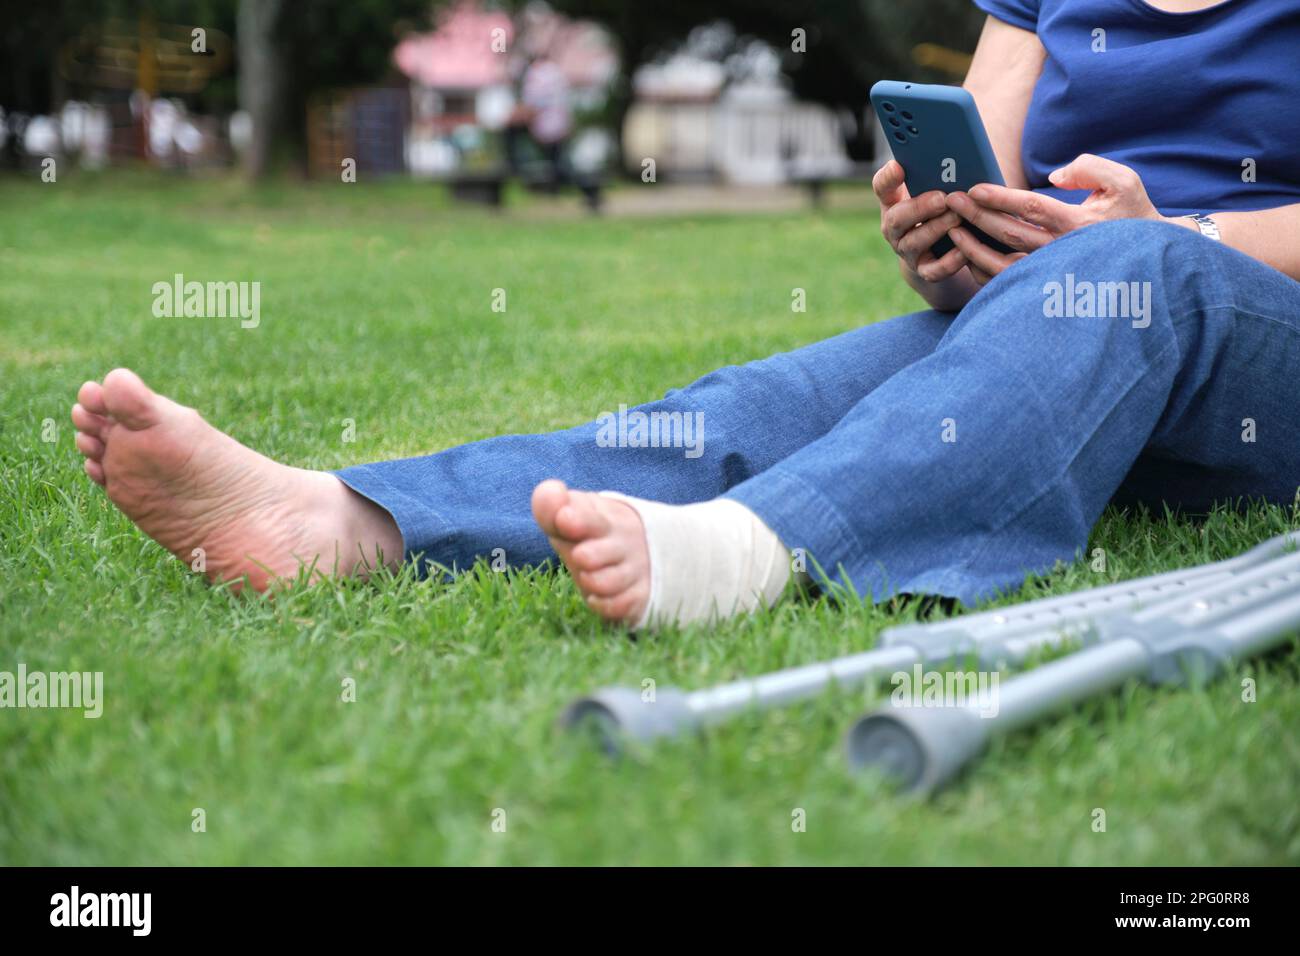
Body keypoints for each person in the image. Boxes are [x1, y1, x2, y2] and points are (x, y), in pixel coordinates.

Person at [72, 0, 1300, 630]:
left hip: (1247, 346)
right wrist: (947, 242)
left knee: (1143, 280)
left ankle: (747, 552)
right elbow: (994, 196)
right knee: (764, 401)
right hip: (1065, 324)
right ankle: (340, 519)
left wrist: (1171, 237)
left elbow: (1150, 264)